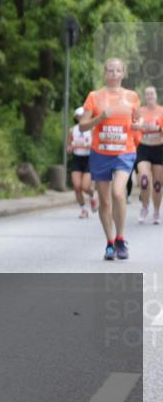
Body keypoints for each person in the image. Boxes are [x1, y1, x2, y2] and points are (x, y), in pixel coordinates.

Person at [78, 58, 141, 260]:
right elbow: (82, 126)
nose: (114, 74)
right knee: (104, 202)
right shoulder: (94, 96)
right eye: (110, 70)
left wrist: (138, 125)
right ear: (105, 73)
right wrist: (100, 118)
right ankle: (110, 243)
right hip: (100, 154)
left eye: (118, 70)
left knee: (118, 192)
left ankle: (121, 238)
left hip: (124, 152)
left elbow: (137, 119)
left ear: (123, 73)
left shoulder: (132, 96)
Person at [135, 85, 163, 224]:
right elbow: (134, 127)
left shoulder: (161, 111)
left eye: (152, 93)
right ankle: (144, 207)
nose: (150, 96)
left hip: (159, 148)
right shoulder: (140, 111)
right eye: (147, 94)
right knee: (144, 180)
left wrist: (158, 128)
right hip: (144, 148)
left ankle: (156, 211)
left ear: (156, 95)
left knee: (157, 184)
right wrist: (139, 127)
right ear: (144, 97)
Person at [67, 106, 96, 219]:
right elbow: (68, 146)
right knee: (77, 186)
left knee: (85, 186)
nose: (81, 118)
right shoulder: (72, 130)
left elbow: (96, 145)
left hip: (89, 159)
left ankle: (93, 196)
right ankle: (83, 209)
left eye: (83, 116)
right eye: (79, 116)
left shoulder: (92, 129)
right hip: (77, 159)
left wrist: (90, 146)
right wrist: (70, 148)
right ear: (76, 118)